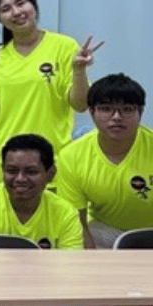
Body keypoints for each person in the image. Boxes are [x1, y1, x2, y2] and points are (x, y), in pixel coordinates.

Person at [0, 0, 102, 187]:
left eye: (20, 3)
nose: (16, 12)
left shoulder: (64, 46)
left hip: (51, 166)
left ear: (34, 5)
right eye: (6, 9)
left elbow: (80, 105)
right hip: (3, 168)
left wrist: (79, 70)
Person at [57, 73, 153, 249]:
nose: (116, 117)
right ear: (92, 112)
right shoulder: (71, 156)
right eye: (106, 109)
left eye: (127, 109)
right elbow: (76, 221)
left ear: (140, 112)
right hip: (105, 231)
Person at [0, 134, 83, 249]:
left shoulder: (65, 213)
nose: (20, 179)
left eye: (31, 172)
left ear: (51, 174)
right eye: (12, 171)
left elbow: (70, 265)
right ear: (2, 170)